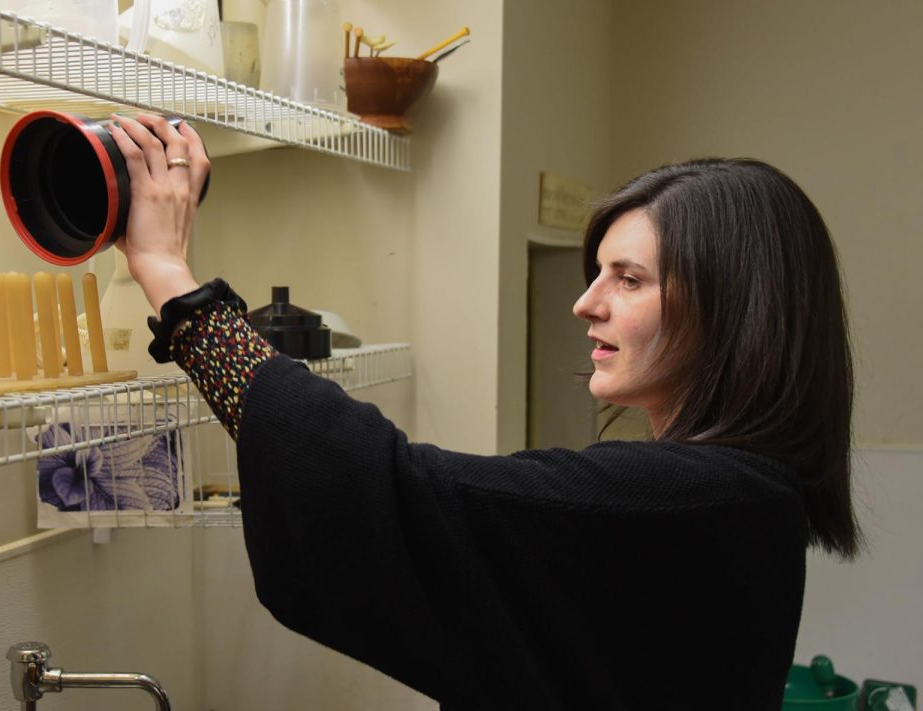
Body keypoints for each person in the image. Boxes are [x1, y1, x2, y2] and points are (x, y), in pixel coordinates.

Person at [104, 114, 860, 710]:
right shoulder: (748, 495)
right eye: (598, 273)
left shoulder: (686, 501)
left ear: (732, 312)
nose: (585, 302)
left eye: (628, 280)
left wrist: (175, 283)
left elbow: (388, 488)